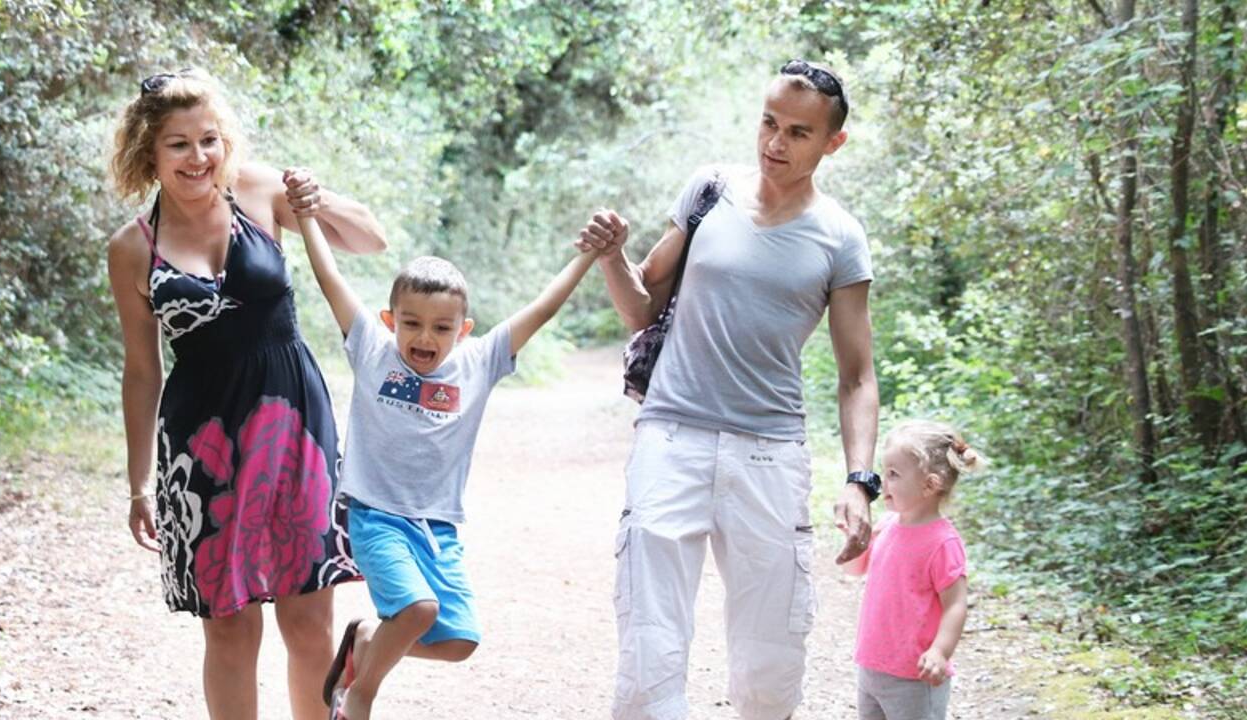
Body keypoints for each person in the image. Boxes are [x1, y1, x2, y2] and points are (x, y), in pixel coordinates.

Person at [578, 59, 880, 720]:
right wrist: (610, 256)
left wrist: (860, 480)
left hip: (770, 454)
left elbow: (858, 375)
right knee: (647, 650)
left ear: (833, 143)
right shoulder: (710, 192)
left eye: (799, 133)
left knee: (772, 660)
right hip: (671, 436)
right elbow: (641, 307)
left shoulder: (840, 238)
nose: (775, 142)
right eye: (769, 122)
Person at [103, 67, 387, 720]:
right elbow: (142, 371)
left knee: (309, 617)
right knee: (227, 625)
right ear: (149, 151)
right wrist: (139, 484)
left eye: (209, 139)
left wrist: (316, 199)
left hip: (292, 423)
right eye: (178, 144)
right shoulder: (131, 249)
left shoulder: (261, 191)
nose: (198, 157)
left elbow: (372, 239)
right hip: (200, 441)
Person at [290, 212, 602, 719]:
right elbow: (331, 281)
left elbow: (543, 308)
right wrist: (306, 217)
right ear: (390, 321)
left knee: (459, 642)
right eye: (411, 322)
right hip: (375, 517)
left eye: (441, 327)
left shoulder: (478, 362)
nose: (425, 337)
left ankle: (367, 638)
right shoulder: (372, 349)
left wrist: (589, 255)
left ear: (463, 330)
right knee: (419, 609)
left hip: (437, 527)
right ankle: (360, 696)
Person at [840, 420, 979, 720]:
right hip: (872, 664)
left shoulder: (942, 542)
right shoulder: (887, 525)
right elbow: (855, 570)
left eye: (894, 474)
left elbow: (955, 604)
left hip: (914, 676)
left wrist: (940, 652)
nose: (882, 482)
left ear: (929, 484)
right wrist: (853, 539)